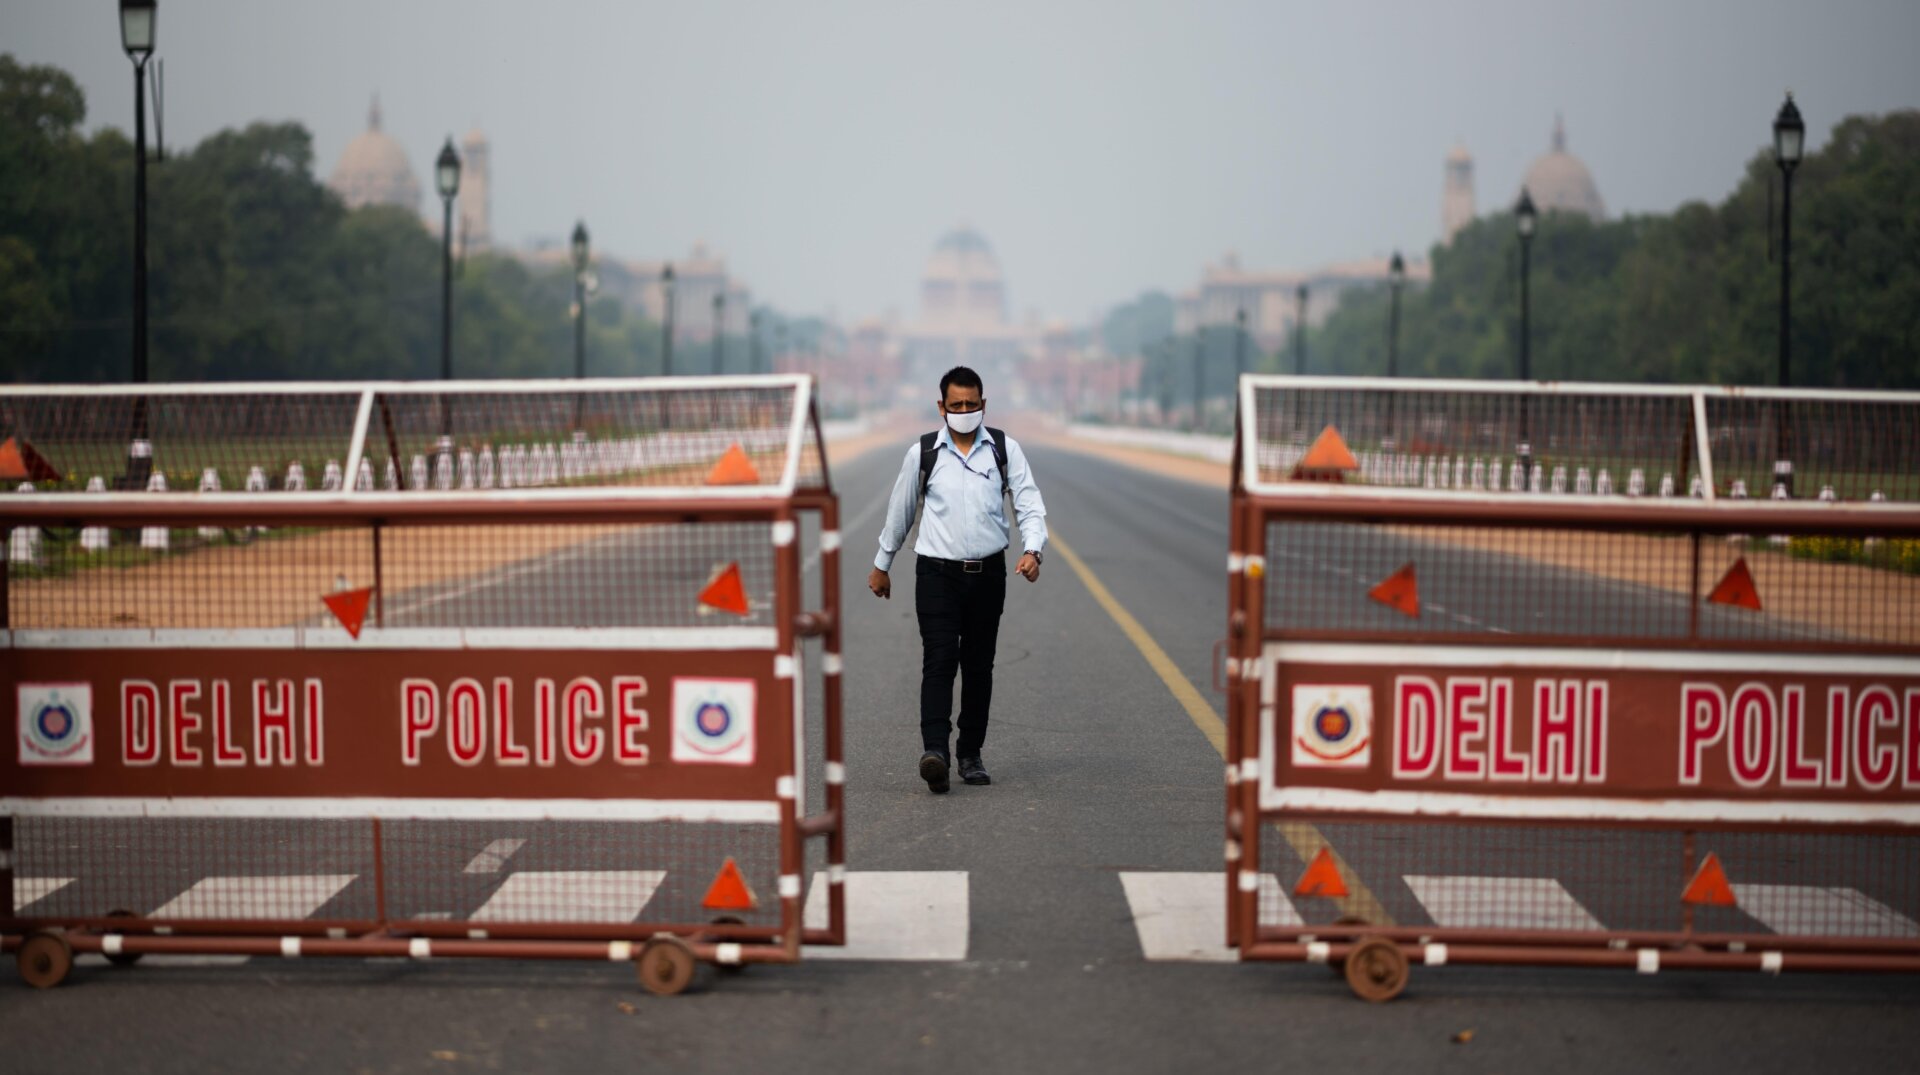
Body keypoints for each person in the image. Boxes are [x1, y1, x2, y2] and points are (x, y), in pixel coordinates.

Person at [868, 366, 1048, 794]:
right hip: (936, 574)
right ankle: (936, 753)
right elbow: (901, 511)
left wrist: (1032, 550)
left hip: (988, 574)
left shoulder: (1004, 449)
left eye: (971, 404)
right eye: (956, 405)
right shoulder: (924, 452)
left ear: (984, 405)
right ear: (941, 407)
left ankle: (970, 754)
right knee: (940, 660)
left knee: (979, 667)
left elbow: (1029, 503)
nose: (964, 411)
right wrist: (882, 563)